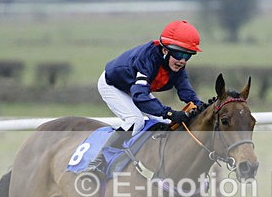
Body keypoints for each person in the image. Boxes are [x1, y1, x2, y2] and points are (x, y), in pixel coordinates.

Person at [86, 20, 205, 177]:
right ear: (164, 50)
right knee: (135, 121)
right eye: (178, 54)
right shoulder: (148, 58)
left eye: (187, 55)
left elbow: (185, 90)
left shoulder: (177, 65)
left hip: (136, 88)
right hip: (113, 85)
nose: (182, 60)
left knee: (168, 124)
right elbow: (140, 97)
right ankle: (98, 162)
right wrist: (170, 112)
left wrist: (200, 105)